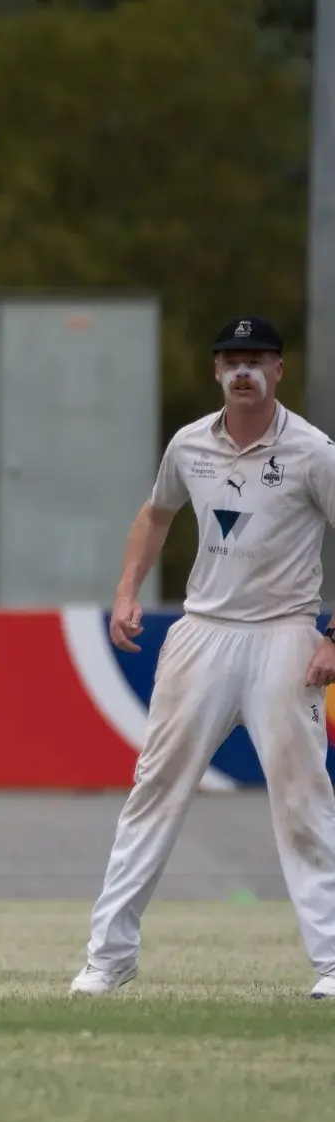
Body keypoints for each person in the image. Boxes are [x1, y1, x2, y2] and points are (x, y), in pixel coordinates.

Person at [76, 316, 335, 999]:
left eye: (257, 360)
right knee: (155, 789)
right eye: (232, 361)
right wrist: (128, 589)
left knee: (303, 798)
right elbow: (157, 513)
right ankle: (109, 957)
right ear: (216, 371)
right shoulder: (191, 443)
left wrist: (333, 637)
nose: (243, 371)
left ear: (280, 370)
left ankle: (333, 962)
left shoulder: (313, 451)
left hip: (284, 631)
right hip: (203, 631)